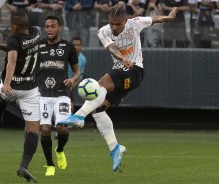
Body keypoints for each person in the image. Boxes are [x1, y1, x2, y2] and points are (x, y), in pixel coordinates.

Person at [58, 5, 178, 172]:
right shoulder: (103, 31)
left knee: (101, 84)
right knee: (98, 110)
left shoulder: (135, 23)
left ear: (125, 21)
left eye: (118, 24)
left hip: (135, 70)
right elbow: (111, 48)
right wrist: (122, 57)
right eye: (112, 23)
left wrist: (169, 17)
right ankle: (115, 149)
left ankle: (78, 116)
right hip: (122, 69)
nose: (114, 27)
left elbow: (155, 19)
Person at [0, 11, 40, 183]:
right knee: (33, 131)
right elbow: (20, 50)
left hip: (12, 86)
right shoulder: (35, 33)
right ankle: (24, 165)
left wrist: (7, 84)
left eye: (10, 24)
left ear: (15, 27)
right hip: (30, 89)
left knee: (3, 96)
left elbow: (12, 60)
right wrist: (1, 46)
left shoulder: (13, 39)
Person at [38, 15, 80, 176]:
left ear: (59, 28)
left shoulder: (68, 47)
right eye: (47, 26)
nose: (49, 29)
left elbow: (77, 71)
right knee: (46, 129)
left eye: (52, 26)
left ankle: (60, 149)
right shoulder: (38, 46)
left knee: (62, 128)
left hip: (62, 94)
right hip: (43, 94)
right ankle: (50, 165)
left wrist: (73, 80)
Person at [68, 36, 87, 113]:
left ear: (81, 46)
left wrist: (71, 87)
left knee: (70, 106)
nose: (76, 47)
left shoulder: (83, 59)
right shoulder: (65, 55)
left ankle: (67, 123)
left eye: (78, 45)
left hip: (69, 85)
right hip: (59, 82)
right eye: (74, 45)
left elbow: (79, 77)